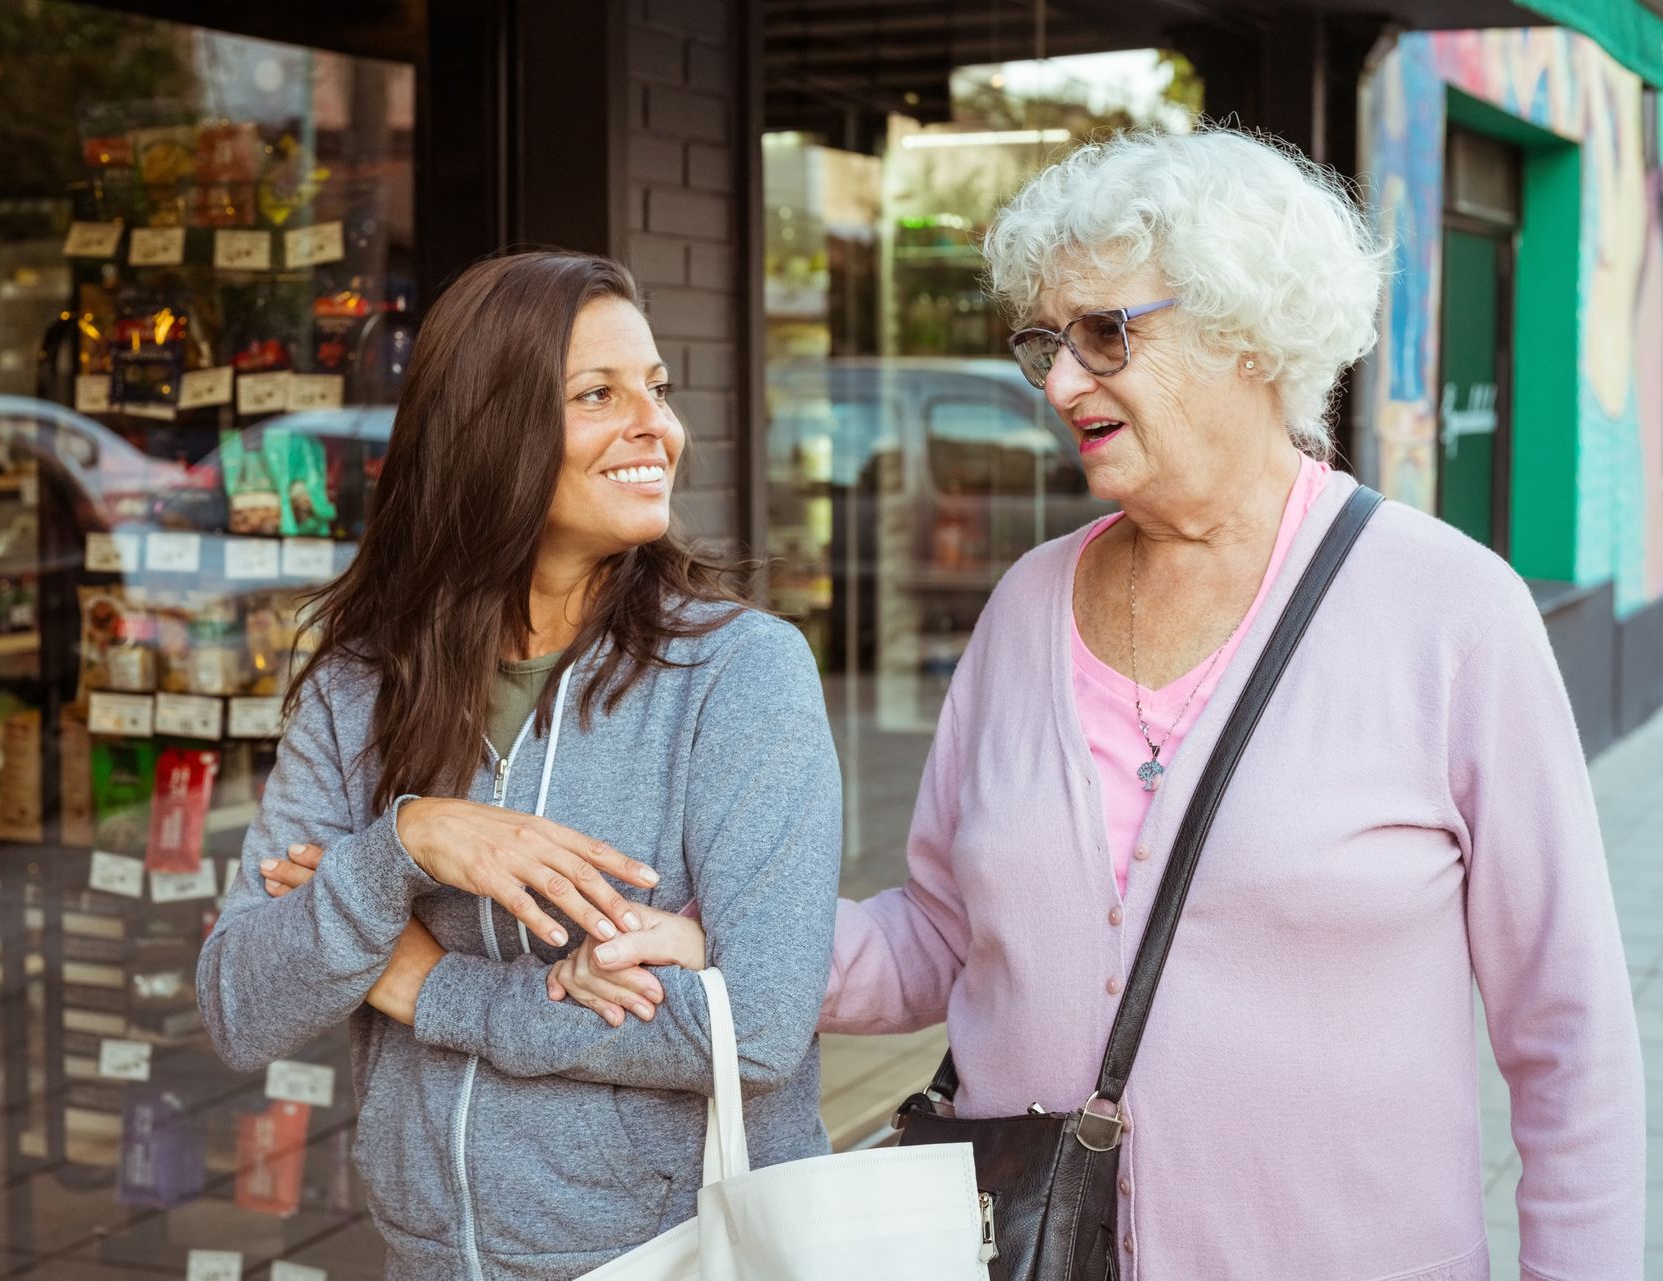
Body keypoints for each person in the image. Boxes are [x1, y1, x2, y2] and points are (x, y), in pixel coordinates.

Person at [550, 128, 1646, 1279]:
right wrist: (729, 941)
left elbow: (1568, 1037)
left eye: (1106, 334)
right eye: (1045, 343)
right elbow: (935, 939)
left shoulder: (1452, 612)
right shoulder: (1026, 607)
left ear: (1248, 336)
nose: (1061, 382)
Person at [197, 250, 843, 1281]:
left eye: (657, 390)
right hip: (430, 1257)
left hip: (674, 1255)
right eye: (600, 394)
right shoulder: (359, 687)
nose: (656, 428)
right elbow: (239, 1004)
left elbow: (757, 1026)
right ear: (488, 430)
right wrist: (404, 845)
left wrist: (428, 985)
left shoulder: (737, 674)